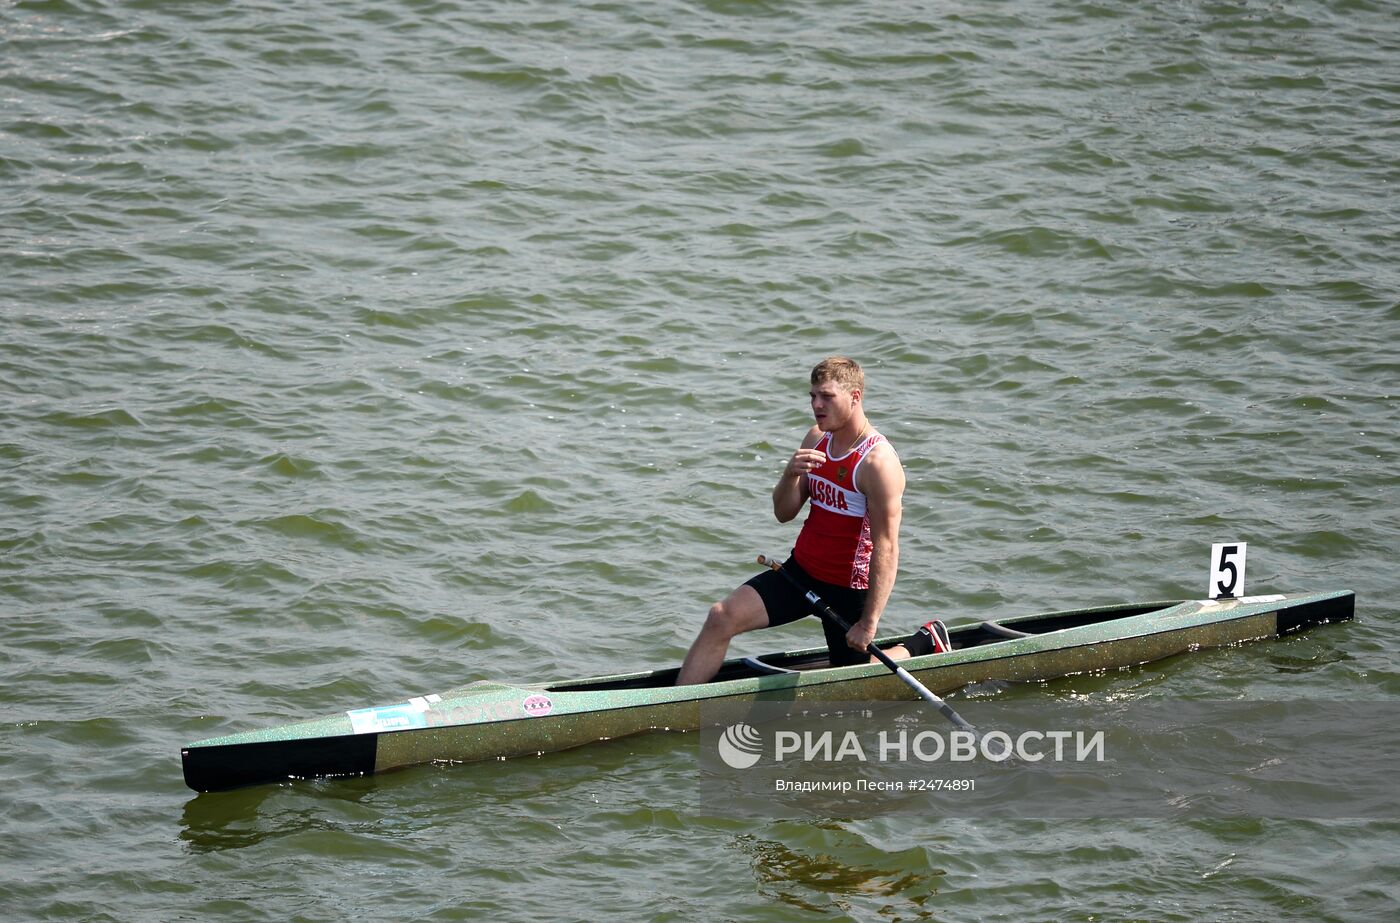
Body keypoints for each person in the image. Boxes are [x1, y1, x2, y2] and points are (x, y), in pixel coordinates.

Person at [677, 356, 950, 685]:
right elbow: (783, 513)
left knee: (855, 679)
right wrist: (789, 474)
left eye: (826, 396)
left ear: (855, 397)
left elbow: (887, 548)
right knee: (721, 617)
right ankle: (676, 703)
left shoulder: (877, 463)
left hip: (849, 589)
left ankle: (924, 642)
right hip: (801, 574)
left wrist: (868, 622)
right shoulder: (816, 439)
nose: (816, 405)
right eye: (812, 397)